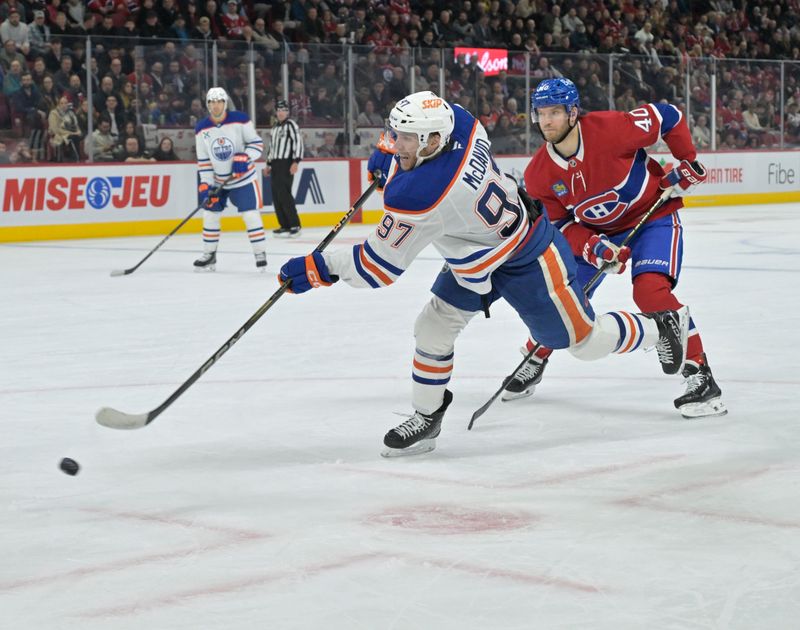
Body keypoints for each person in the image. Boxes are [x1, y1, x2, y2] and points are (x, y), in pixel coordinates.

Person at [278, 91, 690, 457]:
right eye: (396, 134)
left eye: (406, 138)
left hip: (527, 257)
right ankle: (427, 417)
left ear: (432, 142)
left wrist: (318, 269)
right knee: (432, 328)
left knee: (581, 342)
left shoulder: (423, 195)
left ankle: (660, 326)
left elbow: (376, 268)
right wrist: (392, 152)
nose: (396, 141)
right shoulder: (463, 124)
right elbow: (430, 128)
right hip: (474, 259)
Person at [502, 78, 726, 419]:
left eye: (555, 112)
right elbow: (560, 226)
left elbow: (668, 116)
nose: (546, 121)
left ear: (573, 112)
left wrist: (687, 161)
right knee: (565, 298)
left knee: (651, 293)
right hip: (600, 233)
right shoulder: (538, 174)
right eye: (541, 113)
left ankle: (700, 377)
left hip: (654, 217)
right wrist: (592, 246)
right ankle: (536, 355)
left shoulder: (611, 128)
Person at [194, 86, 267, 272]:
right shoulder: (202, 128)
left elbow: (257, 144)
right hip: (218, 181)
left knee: (250, 215)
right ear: (207, 105)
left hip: (243, 179)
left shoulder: (240, 120)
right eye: (211, 102)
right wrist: (205, 184)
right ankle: (209, 255)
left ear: (225, 103)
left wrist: (245, 156)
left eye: (219, 101)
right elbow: (203, 161)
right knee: (209, 215)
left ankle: (260, 253)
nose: (215, 105)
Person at [265, 99, 303, 237]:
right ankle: (284, 225)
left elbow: (298, 143)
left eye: (284, 110)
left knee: (285, 194)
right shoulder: (274, 127)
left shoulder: (291, 125)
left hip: (286, 163)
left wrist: (295, 161)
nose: (281, 113)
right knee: (276, 195)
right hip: (275, 163)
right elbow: (272, 147)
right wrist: (268, 164)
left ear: (288, 112)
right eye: (279, 110)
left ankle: (295, 224)